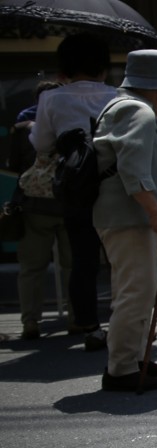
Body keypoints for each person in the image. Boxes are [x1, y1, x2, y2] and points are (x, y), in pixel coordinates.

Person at [92, 49, 157, 392]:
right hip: (128, 217)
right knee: (137, 292)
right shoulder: (138, 111)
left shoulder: (120, 106)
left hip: (123, 217)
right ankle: (121, 368)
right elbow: (132, 169)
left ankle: (135, 358)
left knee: (135, 290)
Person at [29, 33, 117, 351]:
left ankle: (90, 325)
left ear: (64, 67)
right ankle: (125, 324)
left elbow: (41, 144)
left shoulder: (52, 99)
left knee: (83, 260)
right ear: (104, 66)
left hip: (77, 186)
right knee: (122, 259)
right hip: (116, 185)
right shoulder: (119, 96)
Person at [11, 81, 70, 340]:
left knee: (31, 268)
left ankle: (30, 321)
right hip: (69, 204)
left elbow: (14, 166)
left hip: (33, 205)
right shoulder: (72, 124)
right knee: (72, 265)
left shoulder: (23, 128)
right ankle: (77, 317)